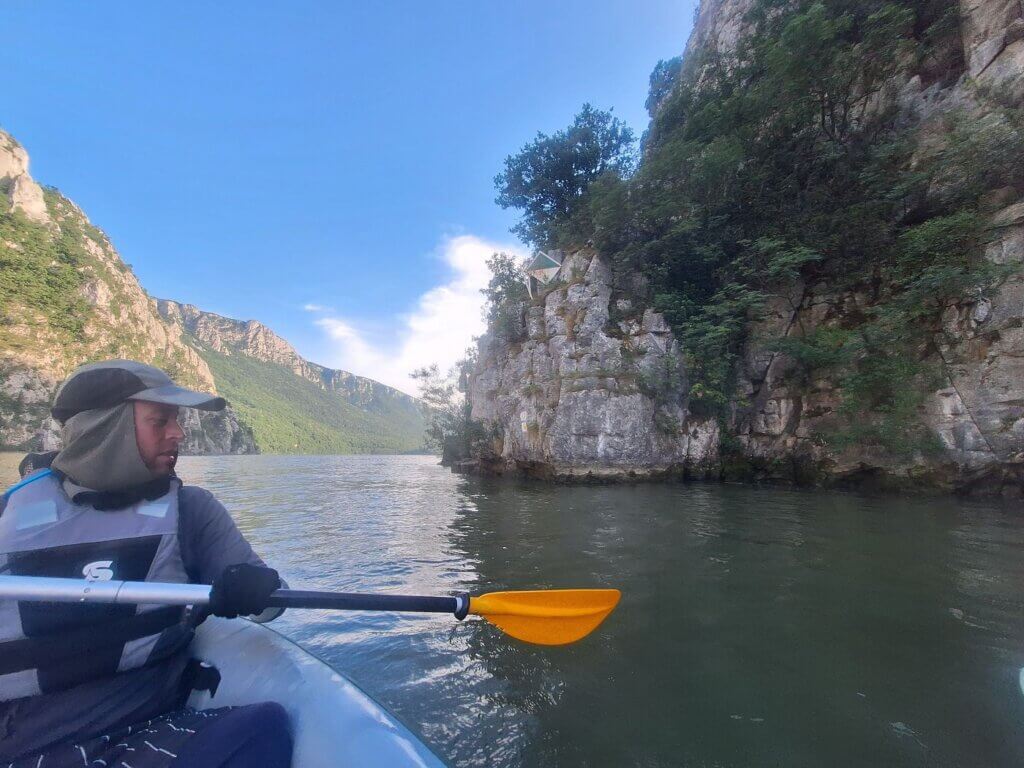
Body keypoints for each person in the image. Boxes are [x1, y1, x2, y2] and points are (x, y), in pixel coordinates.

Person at [0, 360, 294, 767]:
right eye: (160, 421)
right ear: (105, 431)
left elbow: (272, 606)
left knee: (264, 728)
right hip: (19, 737)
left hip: (136, 731)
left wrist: (253, 587)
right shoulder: (7, 516)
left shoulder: (191, 511)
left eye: (176, 421)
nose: (179, 433)